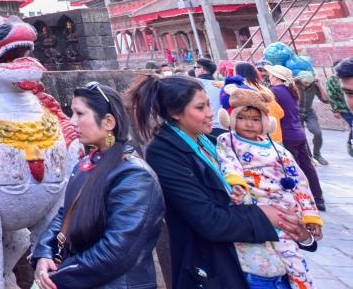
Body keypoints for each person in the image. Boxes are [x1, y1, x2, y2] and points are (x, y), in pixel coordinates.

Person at [127, 74, 312, 288]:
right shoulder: (164, 153)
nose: (209, 113)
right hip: (220, 268)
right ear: (175, 112)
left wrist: (299, 225)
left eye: (208, 104)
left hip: (269, 256)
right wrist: (265, 215)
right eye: (200, 108)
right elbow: (208, 220)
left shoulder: (217, 139)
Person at [31, 82, 164, 288]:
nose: (72, 121)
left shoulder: (134, 176)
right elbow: (65, 215)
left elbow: (117, 251)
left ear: (108, 122)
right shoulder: (86, 164)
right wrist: (44, 253)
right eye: (71, 113)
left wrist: (59, 276)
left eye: (79, 113)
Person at [215, 80, 321, 289]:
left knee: (295, 262)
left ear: (265, 121)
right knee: (259, 263)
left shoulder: (279, 150)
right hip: (255, 207)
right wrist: (237, 185)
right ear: (231, 119)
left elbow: (299, 182)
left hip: (285, 211)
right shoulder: (228, 141)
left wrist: (310, 215)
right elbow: (229, 163)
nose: (248, 124)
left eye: (255, 119)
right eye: (242, 118)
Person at [264, 66, 325, 211]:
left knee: (294, 169)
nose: (269, 77)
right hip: (298, 133)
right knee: (308, 167)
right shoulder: (291, 90)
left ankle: (301, 201)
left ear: (276, 77)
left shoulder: (275, 92)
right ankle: (318, 199)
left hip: (287, 135)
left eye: (271, 75)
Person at [226, 63, 284, 144]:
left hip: (260, 137)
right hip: (276, 134)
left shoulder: (241, 90)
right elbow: (281, 113)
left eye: (234, 72)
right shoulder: (264, 89)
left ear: (238, 73)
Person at [294, 71, 328, 166]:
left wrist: (319, 86)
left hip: (309, 112)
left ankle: (317, 154)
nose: (307, 85)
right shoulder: (293, 85)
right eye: (305, 83)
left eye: (309, 83)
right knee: (302, 136)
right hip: (296, 113)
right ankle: (308, 157)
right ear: (300, 80)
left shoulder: (313, 85)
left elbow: (326, 100)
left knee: (317, 132)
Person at [327, 59, 353, 157]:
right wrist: (335, 110)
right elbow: (330, 96)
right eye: (349, 93)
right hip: (343, 108)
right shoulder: (330, 81)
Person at [195, 58, 223, 136]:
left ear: (201, 69)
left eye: (195, 67)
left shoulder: (194, 84)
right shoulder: (222, 85)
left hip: (204, 128)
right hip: (223, 127)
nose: (194, 70)